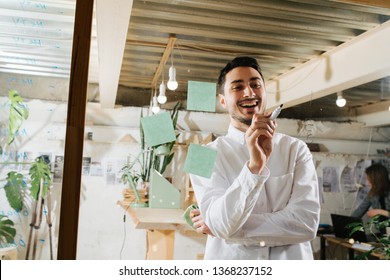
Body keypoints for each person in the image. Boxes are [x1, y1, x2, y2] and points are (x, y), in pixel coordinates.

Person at [189, 56, 320, 260]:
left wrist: (228, 230)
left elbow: (306, 224)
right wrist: (254, 167)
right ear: (222, 100)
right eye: (237, 87)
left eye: (255, 84)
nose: (249, 92)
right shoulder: (199, 156)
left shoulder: (297, 149)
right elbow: (220, 223)